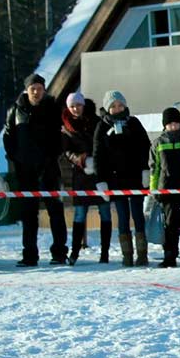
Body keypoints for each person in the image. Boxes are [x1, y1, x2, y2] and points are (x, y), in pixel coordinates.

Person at [3, 73, 68, 266]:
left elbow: (62, 136)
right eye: (33, 88)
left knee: (55, 211)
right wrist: (17, 158)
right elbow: (8, 136)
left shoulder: (53, 108)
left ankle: (59, 253)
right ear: (27, 89)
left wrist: (53, 155)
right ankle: (29, 254)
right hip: (26, 170)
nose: (36, 92)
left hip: (49, 168)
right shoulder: (16, 110)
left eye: (39, 88)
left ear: (44, 90)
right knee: (29, 214)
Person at [93, 90, 151, 267]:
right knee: (123, 218)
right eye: (113, 106)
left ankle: (142, 254)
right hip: (115, 181)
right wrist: (100, 180)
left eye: (120, 105)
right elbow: (98, 155)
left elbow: (144, 146)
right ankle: (127, 255)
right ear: (107, 108)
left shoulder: (133, 123)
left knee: (138, 216)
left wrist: (144, 170)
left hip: (134, 179)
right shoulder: (102, 126)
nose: (117, 109)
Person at [61, 91, 112, 265]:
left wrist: (95, 160)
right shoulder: (65, 127)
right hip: (80, 174)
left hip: (98, 172)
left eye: (79, 105)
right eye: (72, 106)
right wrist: (81, 160)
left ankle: (105, 253)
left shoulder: (96, 121)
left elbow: (103, 144)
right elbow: (67, 151)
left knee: (104, 211)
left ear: (84, 105)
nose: (76, 109)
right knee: (79, 214)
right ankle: (74, 252)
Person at [150, 106, 180, 267]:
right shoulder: (158, 143)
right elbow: (154, 168)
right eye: (170, 124)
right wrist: (154, 189)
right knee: (170, 225)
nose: (173, 126)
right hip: (167, 191)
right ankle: (170, 255)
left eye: (176, 123)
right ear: (165, 125)